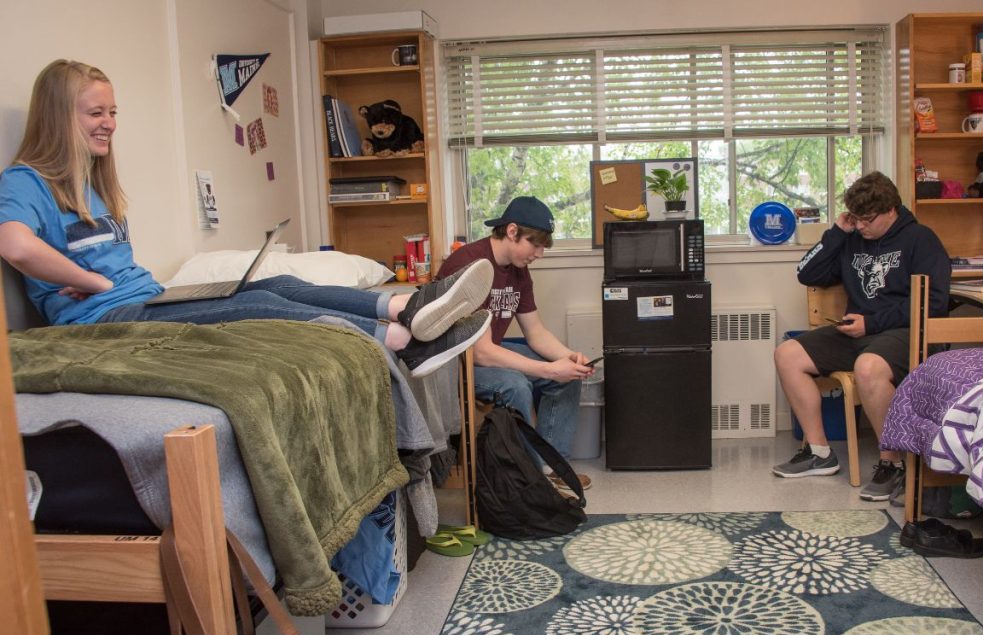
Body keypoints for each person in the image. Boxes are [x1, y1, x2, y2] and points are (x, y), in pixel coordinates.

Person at [0, 59, 492, 378]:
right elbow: (16, 246)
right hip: (102, 320)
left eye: (112, 111)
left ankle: (406, 305)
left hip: (144, 298)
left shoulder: (93, 185)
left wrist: (107, 281)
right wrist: (91, 281)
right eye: (94, 113)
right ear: (59, 115)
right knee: (247, 309)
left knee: (268, 284)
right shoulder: (27, 181)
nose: (109, 122)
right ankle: (404, 343)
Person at [772, 171, 951, 502]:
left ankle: (891, 463)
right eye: (855, 218)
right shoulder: (851, 238)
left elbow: (934, 303)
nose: (862, 226)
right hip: (857, 332)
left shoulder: (921, 239)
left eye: (867, 219)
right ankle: (819, 452)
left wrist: (872, 323)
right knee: (787, 355)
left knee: (868, 368)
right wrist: (838, 232)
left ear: (891, 210)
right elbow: (806, 273)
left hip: (903, 332)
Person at [436, 196, 595, 494]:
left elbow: (535, 332)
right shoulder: (472, 265)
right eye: (534, 245)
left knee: (569, 375)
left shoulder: (518, 270)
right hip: (454, 363)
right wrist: (549, 370)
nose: (539, 254)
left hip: (487, 351)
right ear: (511, 232)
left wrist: (569, 358)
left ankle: (552, 466)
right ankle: (532, 476)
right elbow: (479, 351)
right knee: (516, 385)